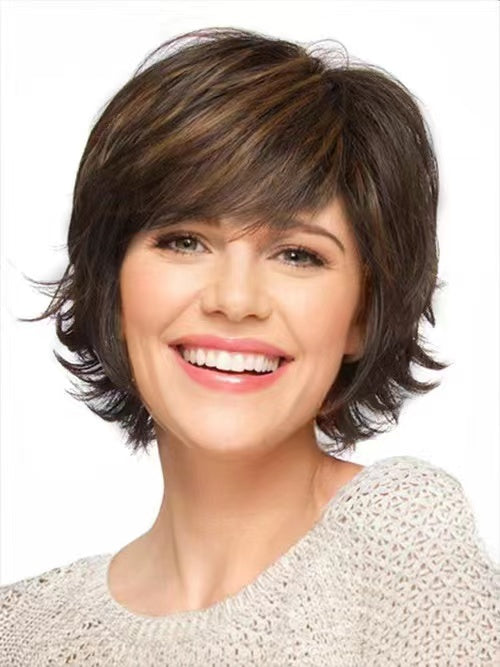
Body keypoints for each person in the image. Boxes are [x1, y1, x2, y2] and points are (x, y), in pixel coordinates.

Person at [1, 26, 498, 666]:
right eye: (184, 241)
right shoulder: (23, 631)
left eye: (297, 255)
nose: (235, 300)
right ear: (113, 288)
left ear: (361, 314)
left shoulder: (400, 547)